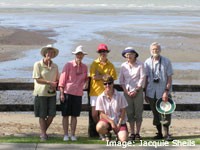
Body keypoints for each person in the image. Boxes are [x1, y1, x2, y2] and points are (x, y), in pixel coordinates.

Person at [144, 42, 174, 141]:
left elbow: (169, 78)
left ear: (160, 50)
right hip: (151, 92)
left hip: (163, 92)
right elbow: (146, 78)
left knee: (166, 113)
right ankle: (159, 133)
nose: (155, 51)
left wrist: (166, 91)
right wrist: (145, 93)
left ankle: (166, 134)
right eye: (153, 49)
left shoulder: (166, 61)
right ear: (150, 51)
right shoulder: (147, 62)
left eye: (157, 49)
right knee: (155, 114)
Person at [59, 45, 88, 141]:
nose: (79, 56)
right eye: (78, 54)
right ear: (75, 55)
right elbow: (62, 80)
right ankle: (65, 134)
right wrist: (62, 93)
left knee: (75, 115)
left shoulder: (85, 67)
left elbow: (86, 78)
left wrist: (87, 82)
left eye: (81, 54)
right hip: (67, 92)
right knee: (65, 115)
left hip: (78, 94)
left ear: (83, 56)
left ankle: (73, 134)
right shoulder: (68, 65)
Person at [32, 44, 59, 141]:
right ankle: (43, 134)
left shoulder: (55, 66)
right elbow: (37, 79)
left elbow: (58, 79)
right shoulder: (37, 64)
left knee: (52, 114)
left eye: (52, 52)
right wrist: (49, 82)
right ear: (44, 53)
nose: (50, 54)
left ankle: (42, 132)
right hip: (41, 93)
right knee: (42, 115)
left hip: (52, 93)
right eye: (48, 52)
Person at [119, 47, 145, 141]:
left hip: (138, 91)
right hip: (127, 92)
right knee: (129, 113)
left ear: (135, 55)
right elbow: (121, 80)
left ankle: (138, 133)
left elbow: (142, 78)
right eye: (127, 54)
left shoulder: (140, 64)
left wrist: (136, 90)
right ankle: (132, 132)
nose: (129, 56)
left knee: (138, 112)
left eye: (131, 54)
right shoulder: (123, 66)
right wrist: (126, 91)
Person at [89, 43, 117, 124]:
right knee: (94, 114)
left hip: (106, 92)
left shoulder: (111, 65)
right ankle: (100, 130)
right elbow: (94, 77)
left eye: (104, 51)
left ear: (107, 52)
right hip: (95, 92)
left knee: (104, 114)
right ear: (98, 53)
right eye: (101, 51)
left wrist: (99, 75)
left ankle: (104, 131)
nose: (103, 53)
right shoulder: (94, 63)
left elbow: (112, 78)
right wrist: (105, 76)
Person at [96, 76, 128, 142]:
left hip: (119, 121)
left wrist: (119, 123)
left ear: (113, 83)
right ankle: (108, 134)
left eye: (109, 83)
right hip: (107, 121)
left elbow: (123, 111)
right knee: (99, 127)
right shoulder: (100, 97)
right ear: (103, 85)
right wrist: (111, 122)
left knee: (123, 140)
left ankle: (119, 135)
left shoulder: (120, 95)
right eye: (105, 83)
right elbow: (101, 113)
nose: (107, 85)